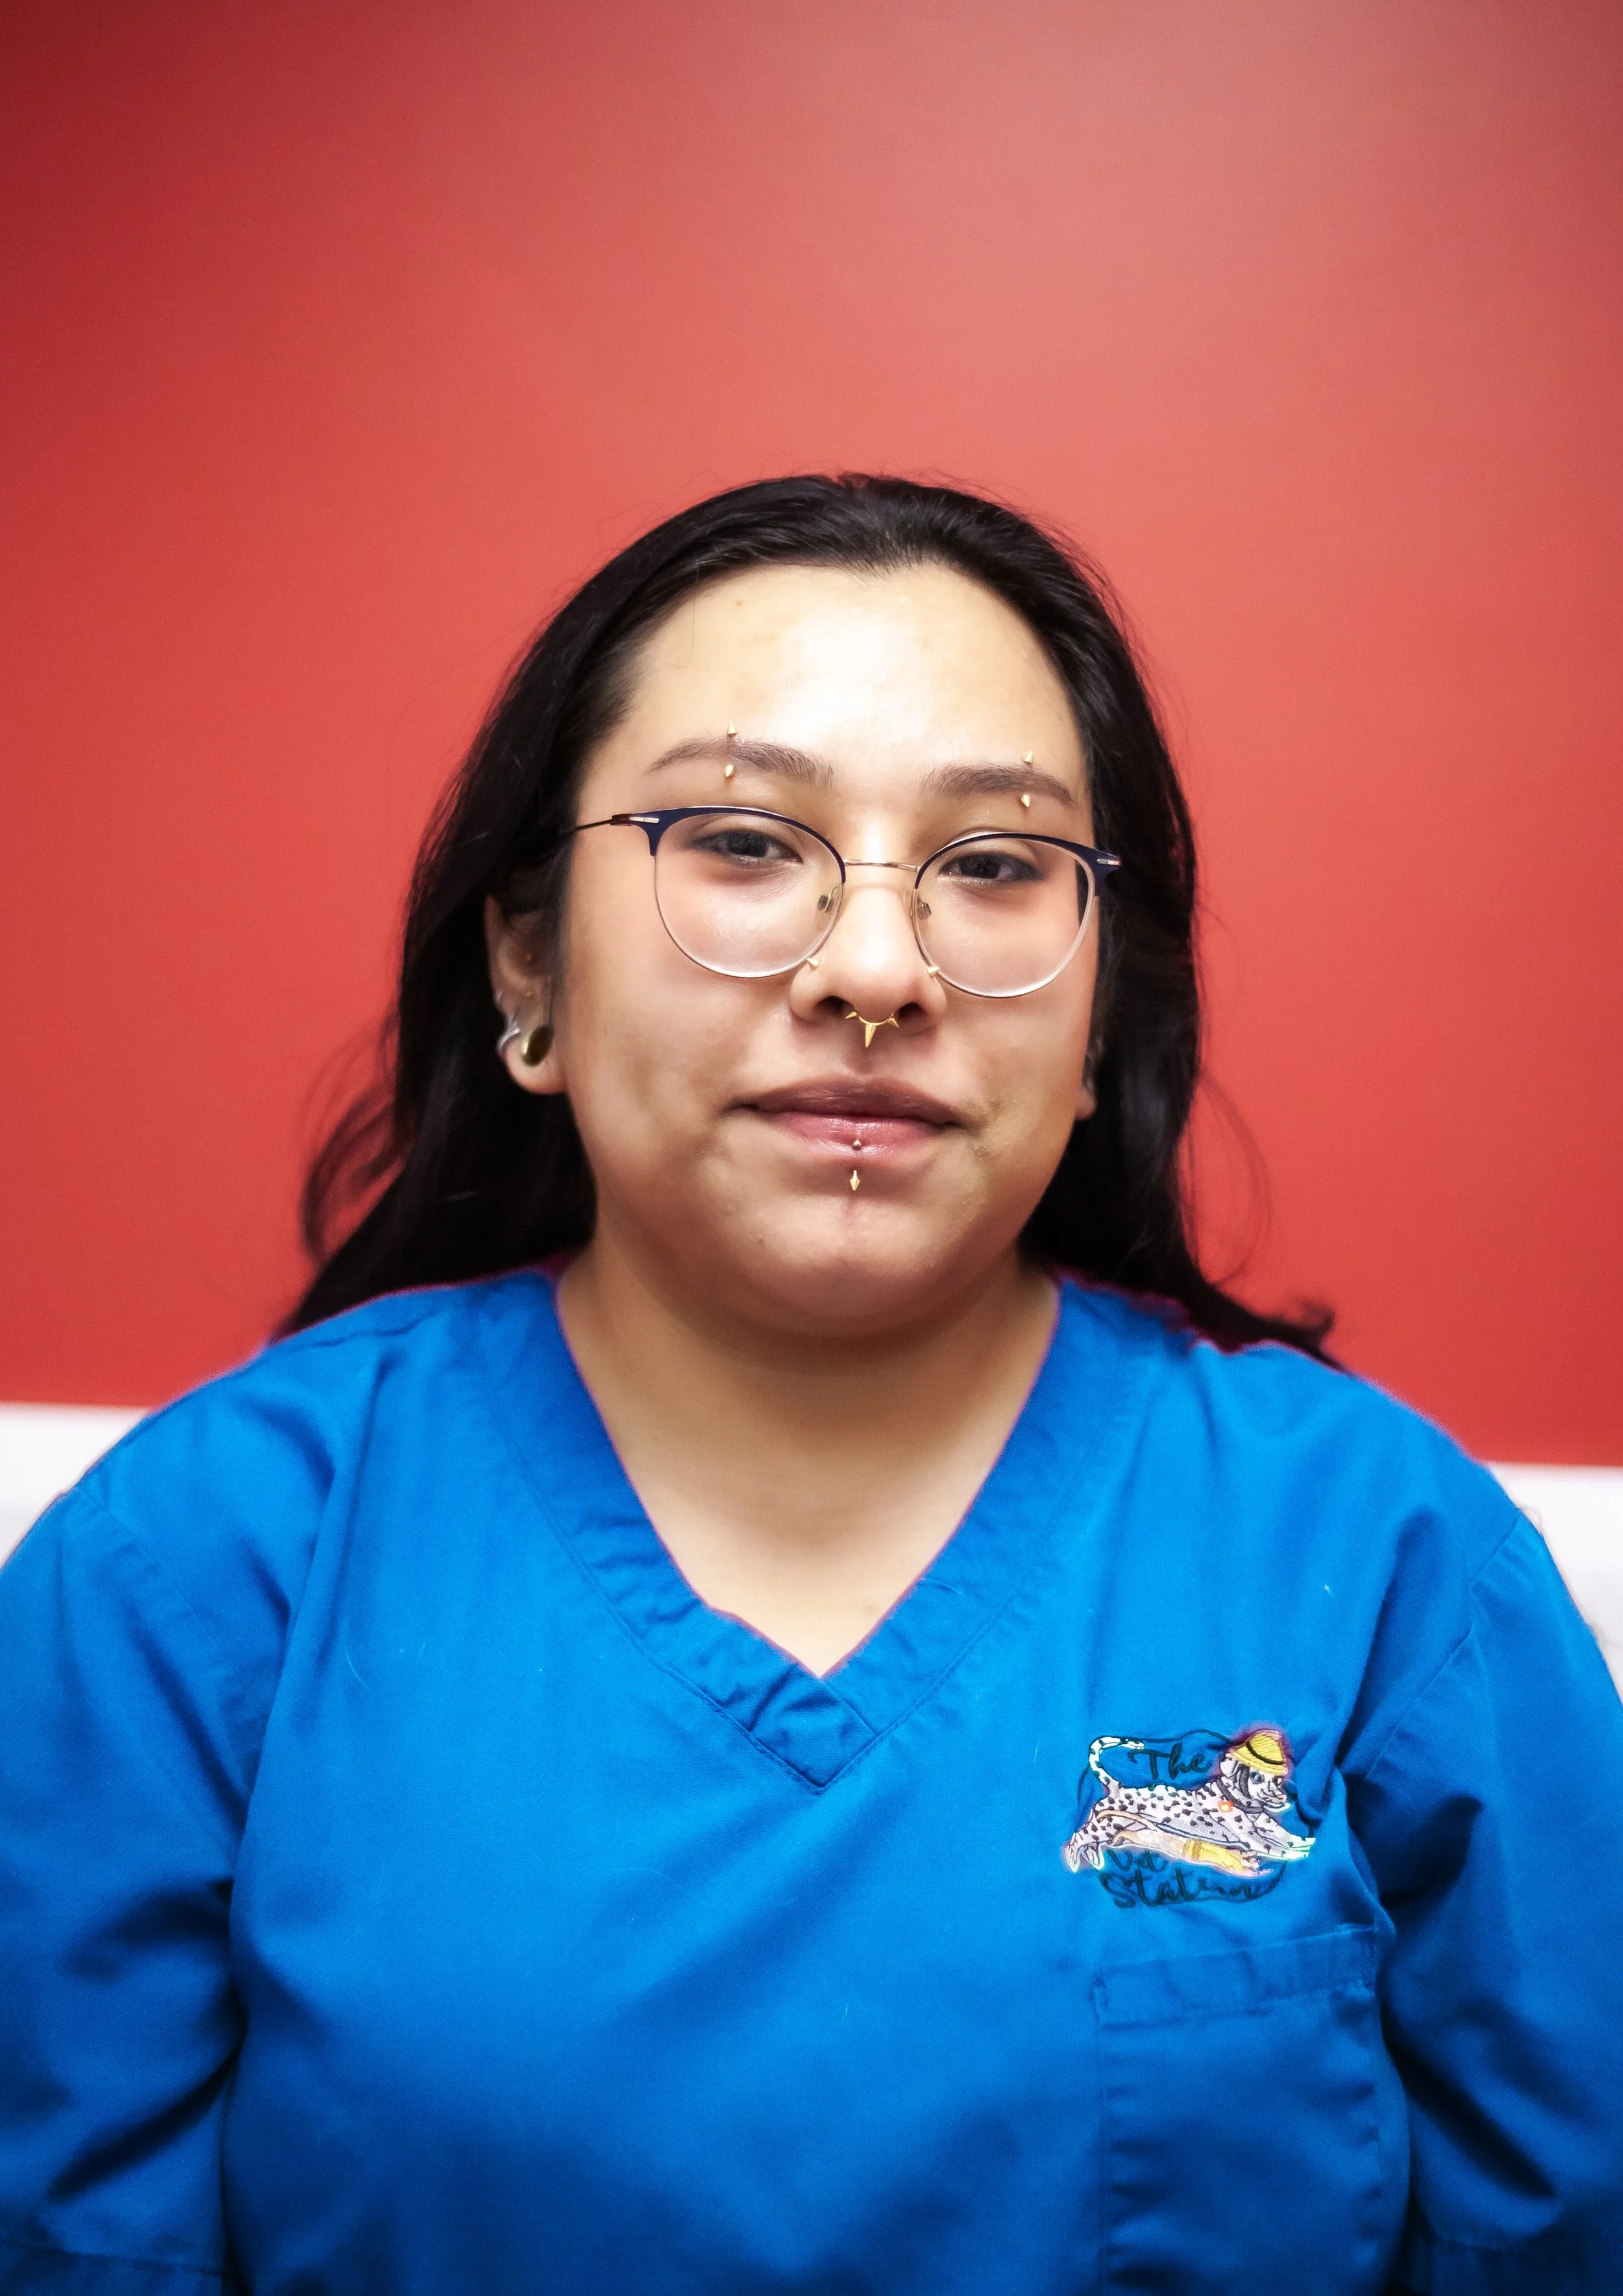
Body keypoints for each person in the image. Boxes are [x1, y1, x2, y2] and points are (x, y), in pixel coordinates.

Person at [1, 475, 1620, 2296]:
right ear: (528, 963)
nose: (872, 970)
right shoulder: (189, 1574)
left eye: (995, 867)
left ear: (1101, 1020)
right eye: (746, 842)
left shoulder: (1387, 1564)